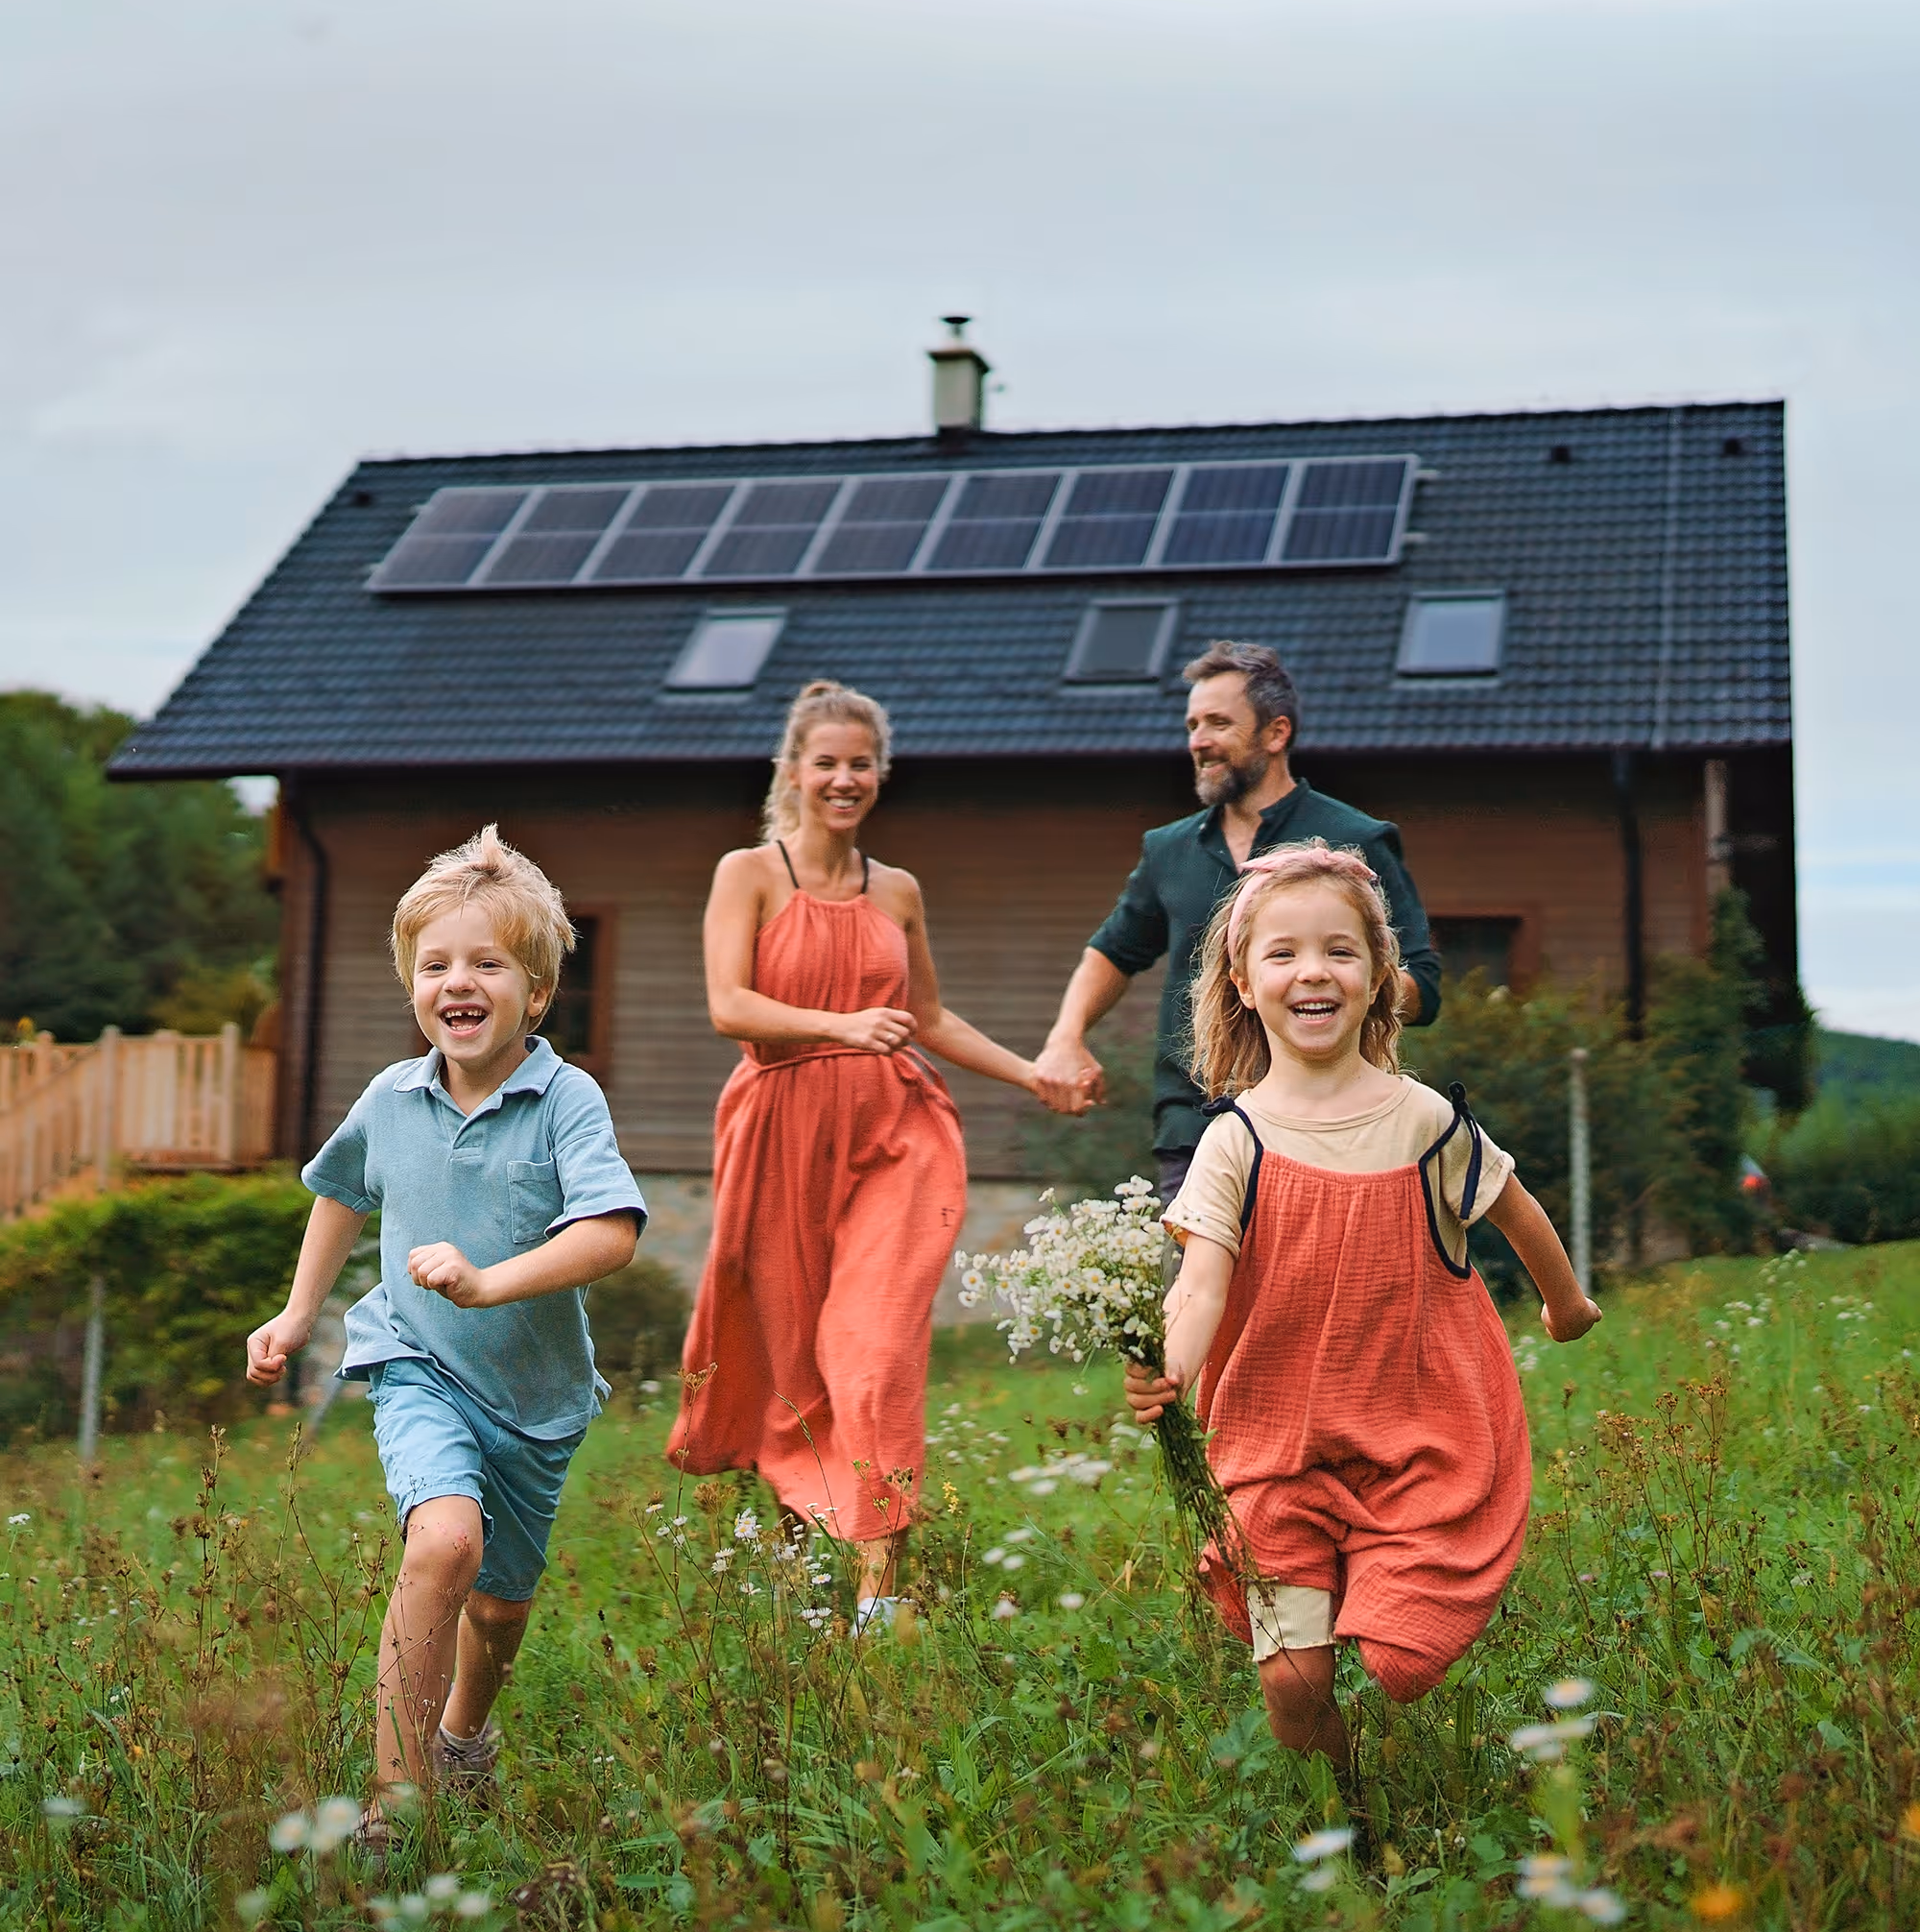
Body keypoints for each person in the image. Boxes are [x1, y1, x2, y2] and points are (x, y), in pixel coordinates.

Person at [1124, 840, 1599, 1768]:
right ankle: (1345, 1824)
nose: (1314, 971)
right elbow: (1201, 1283)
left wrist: (1566, 1303)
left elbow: (1516, 1208)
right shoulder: (1235, 1141)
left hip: (1412, 1437)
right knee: (1292, 1686)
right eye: (1284, 952)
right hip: (1273, 1444)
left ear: (1381, 975)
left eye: (1341, 950)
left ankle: (1393, 1634)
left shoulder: (1424, 1121)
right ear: (1242, 978)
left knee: (1401, 1657)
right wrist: (1172, 1367)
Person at [246, 827, 647, 1841]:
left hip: (536, 1398)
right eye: (435, 965)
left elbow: (609, 1233)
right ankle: (392, 1805)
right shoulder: (391, 1097)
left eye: (486, 962)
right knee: (443, 1543)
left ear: (537, 991)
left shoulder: (565, 1099)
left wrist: (489, 1281)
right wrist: (299, 1313)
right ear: (411, 984)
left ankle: (465, 1737)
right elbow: (340, 1195)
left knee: (500, 1608)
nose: (457, 982)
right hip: (416, 1363)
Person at [668, 679, 1067, 1625]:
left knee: (874, 1347)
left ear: (879, 775)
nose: (843, 779)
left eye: (860, 764)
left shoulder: (897, 890)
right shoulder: (749, 873)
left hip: (892, 1130)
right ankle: (799, 1566)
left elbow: (923, 1017)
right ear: (793, 773)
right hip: (777, 1131)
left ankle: (879, 1599)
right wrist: (840, 1025)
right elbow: (730, 1005)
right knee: (788, 1358)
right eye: (826, 762)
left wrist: (1030, 1074)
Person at [1035, 639, 1443, 1207]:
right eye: (1192, 725)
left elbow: (1422, 984)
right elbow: (1114, 951)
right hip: (1195, 1124)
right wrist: (1065, 1038)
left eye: (1219, 724)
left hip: (1329, 1121)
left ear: (1276, 734)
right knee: (1199, 1295)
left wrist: (1337, 985)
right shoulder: (1168, 849)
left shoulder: (1358, 839)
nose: (1199, 742)